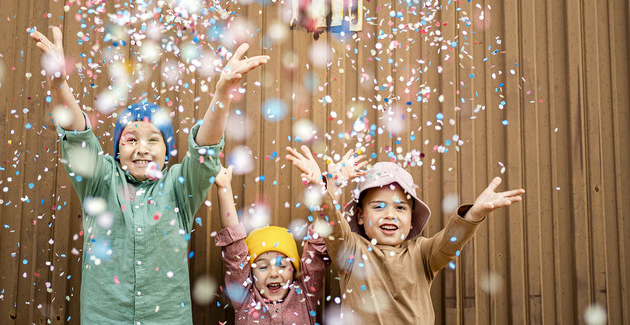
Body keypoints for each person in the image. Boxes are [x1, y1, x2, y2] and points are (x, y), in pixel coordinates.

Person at [29, 25, 269, 325]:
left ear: (167, 151)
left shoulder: (180, 186)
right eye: (131, 138)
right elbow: (77, 137)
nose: (142, 147)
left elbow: (205, 150)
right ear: (117, 150)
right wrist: (59, 86)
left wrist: (222, 93)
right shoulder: (99, 181)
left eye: (153, 139)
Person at [286, 146, 525, 324]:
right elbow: (333, 225)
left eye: (400, 208)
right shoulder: (351, 249)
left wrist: (474, 213)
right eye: (378, 206)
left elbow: (449, 242)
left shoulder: (422, 254)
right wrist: (323, 186)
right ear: (359, 215)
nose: (390, 215)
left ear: (411, 219)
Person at [213, 150, 366, 324]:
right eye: (262, 267)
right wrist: (224, 188)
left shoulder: (305, 294)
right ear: (250, 273)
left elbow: (319, 240)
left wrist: (328, 188)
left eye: (282, 265)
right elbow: (235, 249)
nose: (274, 273)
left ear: (294, 269)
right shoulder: (245, 298)